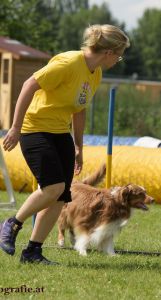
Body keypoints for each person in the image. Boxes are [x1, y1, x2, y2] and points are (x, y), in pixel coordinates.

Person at [0, 24, 130, 264]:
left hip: (61, 132)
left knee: (60, 196)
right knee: (52, 187)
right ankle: (12, 223)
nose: (118, 60)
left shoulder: (96, 73)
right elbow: (29, 84)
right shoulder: (69, 63)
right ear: (109, 52)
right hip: (35, 128)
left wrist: (79, 146)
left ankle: (33, 252)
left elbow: (79, 109)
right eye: (119, 54)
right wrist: (15, 127)